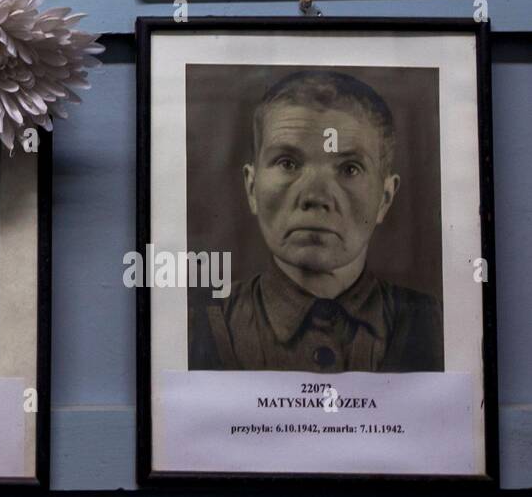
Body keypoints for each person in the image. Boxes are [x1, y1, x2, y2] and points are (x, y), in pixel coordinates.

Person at [190, 70, 443, 372]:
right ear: (251, 187)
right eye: (288, 163)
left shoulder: (440, 325)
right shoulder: (199, 328)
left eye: (349, 168)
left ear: (385, 199)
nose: (315, 196)